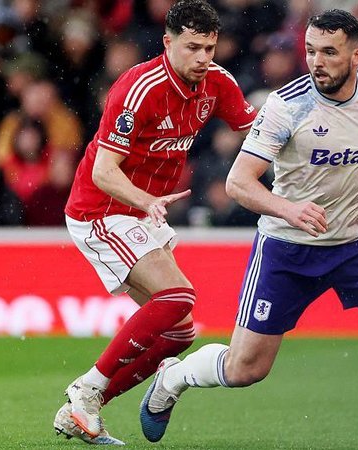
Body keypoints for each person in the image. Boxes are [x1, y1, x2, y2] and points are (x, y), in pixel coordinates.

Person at [140, 9, 358, 450]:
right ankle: (173, 377)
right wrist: (287, 209)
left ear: (357, 55)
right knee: (246, 369)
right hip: (289, 249)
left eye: (329, 51)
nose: (316, 61)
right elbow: (238, 182)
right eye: (310, 50)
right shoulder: (287, 105)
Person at [54, 0, 256, 445]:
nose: (203, 58)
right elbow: (104, 171)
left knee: (179, 331)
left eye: (210, 47)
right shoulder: (139, 88)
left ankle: (82, 410)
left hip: (142, 211)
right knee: (179, 294)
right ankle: (86, 388)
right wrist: (148, 200)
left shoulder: (217, 83)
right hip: (101, 209)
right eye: (193, 47)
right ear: (168, 43)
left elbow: (253, 127)